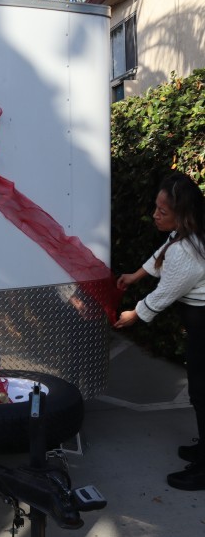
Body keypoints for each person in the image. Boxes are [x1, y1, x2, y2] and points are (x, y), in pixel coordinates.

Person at [115, 172, 205, 491]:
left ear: (181, 214)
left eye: (162, 211)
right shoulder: (184, 233)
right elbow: (160, 255)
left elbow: (165, 292)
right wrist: (135, 275)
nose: (155, 215)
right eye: (156, 207)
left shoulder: (188, 250)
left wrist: (134, 314)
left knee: (202, 392)